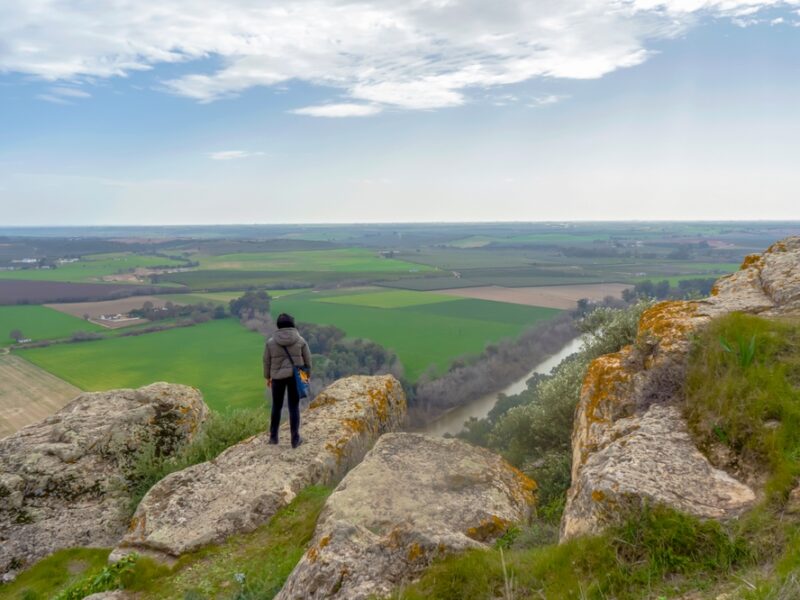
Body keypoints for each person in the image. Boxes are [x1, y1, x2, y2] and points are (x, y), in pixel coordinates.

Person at [263, 313, 312, 448]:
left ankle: (273, 438)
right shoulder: (301, 340)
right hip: (295, 377)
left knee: (276, 407)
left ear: (278, 325)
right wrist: (307, 375)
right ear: (292, 324)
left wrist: (268, 377)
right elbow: (308, 360)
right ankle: (295, 440)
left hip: (277, 378)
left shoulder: (271, 342)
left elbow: (266, 361)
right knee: (293, 407)